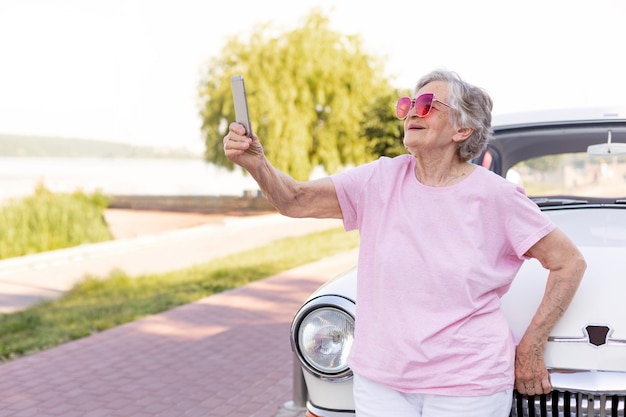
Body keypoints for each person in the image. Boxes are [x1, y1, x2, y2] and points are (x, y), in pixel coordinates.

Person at [223, 69, 586, 416]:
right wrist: (257, 163)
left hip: (467, 384)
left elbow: (568, 262)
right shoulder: (380, 180)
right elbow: (295, 200)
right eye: (408, 105)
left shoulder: (498, 197)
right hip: (381, 383)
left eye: (427, 104)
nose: (412, 111)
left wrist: (531, 347)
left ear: (463, 128)